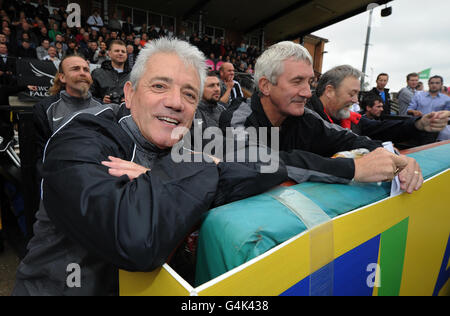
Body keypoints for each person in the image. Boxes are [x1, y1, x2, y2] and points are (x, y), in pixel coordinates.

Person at [13, 38, 286, 296]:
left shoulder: (187, 141)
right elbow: (135, 239)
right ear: (129, 95)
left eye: (190, 94)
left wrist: (162, 178)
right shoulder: (80, 140)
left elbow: (270, 164)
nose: (176, 102)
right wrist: (202, 170)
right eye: (159, 86)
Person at [221, 41, 424, 192]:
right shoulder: (237, 118)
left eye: (309, 82)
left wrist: (394, 157)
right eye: (297, 81)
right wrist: (352, 168)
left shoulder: (305, 117)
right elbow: (259, 162)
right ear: (265, 85)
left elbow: (349, 139)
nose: (308, 92)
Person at [307, 65, 448, 145]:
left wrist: (418, 124)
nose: (356, 100)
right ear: (330, 91)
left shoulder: (350, 117)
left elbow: (380, 128)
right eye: (351, 94)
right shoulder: (304, 119)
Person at [408, 75, 450, 141]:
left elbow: (448, 116)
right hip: (421, 128)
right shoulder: (418, 96)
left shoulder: (447, 99)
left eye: (437, 83)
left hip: (438, 131)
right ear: (428, 84)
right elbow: (409, 110)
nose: (434, 85)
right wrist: (413, 112)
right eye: (432, 83)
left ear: (441, 84)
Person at [90, 40, 130, 104]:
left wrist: (131, 100)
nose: (120, 53)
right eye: (117, 51)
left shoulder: (133, 75)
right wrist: (101, 101)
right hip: (105, 111)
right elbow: (89, 96)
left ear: (126, 55)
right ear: (109, 53)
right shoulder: (97, 73)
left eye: (123, 52)